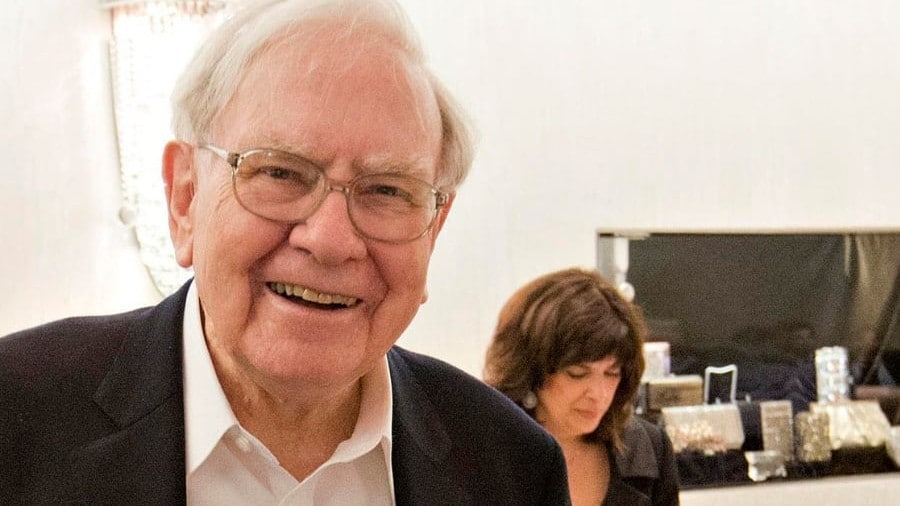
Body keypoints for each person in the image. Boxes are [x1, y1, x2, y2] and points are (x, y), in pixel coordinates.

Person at [0, 1, 571, 504]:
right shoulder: (16, 419)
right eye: (279, 172)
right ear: (185, 198)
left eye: (387, 191)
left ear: (434, 230)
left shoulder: (512, 468)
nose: (330, 241)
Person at [485, 268, 680, 506]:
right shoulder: (488, 453)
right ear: (532, 371)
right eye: (577, 374)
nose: (598, 394)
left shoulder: (647, 449)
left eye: (612, 373)